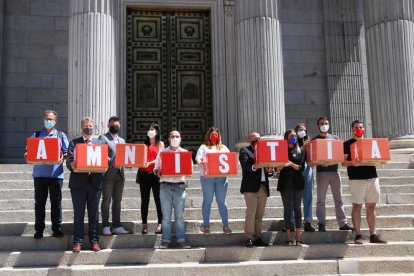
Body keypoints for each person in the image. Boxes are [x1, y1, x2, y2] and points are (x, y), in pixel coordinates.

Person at [25, 110, 69, 239]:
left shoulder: (61, 135)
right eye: (47, 119)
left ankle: (56, 229)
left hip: (55, 175)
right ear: (43, 120)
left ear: (55, 121)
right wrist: (27, 157)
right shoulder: (36, 135)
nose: (49, 121)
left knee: (56, 203)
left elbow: (66, 152)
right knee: (39, 203)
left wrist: (62, 157)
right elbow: (28, 153)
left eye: (51, 119)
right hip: (40, 174)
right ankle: (39, 229)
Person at [342, 120, 387, 244]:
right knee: (357, 206)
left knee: (371, 206)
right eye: (356, 127)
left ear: (364, 129)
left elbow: (379, 156)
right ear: (352, 130)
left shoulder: (370, 143)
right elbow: (343, 162)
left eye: (361, 127)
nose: (359, 129)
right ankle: (358, 234)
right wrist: (353, 163)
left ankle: (373, 234)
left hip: (372, 177)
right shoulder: (347, 144)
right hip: (356, 179)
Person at [66, 117, 104, 252]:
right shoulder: (74, 143)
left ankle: (94, 241)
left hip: (95, 183)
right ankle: (78, 242)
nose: (89, 128)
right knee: (78, 213)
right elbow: (69, 159)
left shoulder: (100, 143)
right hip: (78, 183)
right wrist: (73, 165)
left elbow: (105, 160)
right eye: (86, 125)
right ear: (82, 127)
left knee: (94, 213)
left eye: (91, 125)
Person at [313, 117, 353, 232]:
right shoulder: (315, 140)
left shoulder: (335, 139)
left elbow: (340, 156)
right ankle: (321, 223)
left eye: (326, 123)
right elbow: (312, 158)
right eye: (322, 123)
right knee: (321, 199)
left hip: (335, 172)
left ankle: (343, 223)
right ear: (318, 126)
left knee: (339, 199)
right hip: (322, 173)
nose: (324, 125)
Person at [154, 130, 191, 249]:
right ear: (169, 139)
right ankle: (165, 240)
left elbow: (190, 171)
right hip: (165, 186)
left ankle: (181, 240)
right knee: (166, 216)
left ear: (180, 139)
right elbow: (156, 169)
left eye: (177, 136)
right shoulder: (162, 152)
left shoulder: (185, 153)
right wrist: (158, 171)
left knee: (180, 216)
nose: (175, 138)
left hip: (180, 187)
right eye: (172, 136)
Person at [239, 132, 273, 248]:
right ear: (249, 140)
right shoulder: (245, 151)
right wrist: (256, 166)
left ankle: (257, 237)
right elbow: (246, 166)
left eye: (259, 138)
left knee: (259, 215)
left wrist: (270, 170)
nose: (257, 140)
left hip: (263, 186)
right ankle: (249, 237)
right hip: (250, 188)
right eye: (254, 138)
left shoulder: (265, 151)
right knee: (251, 214)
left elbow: (269, 169)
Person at [195, 127, 232, 235]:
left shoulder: (224, 147)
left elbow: (230, 159)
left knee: (222, 202)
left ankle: (225, 226)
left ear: (219, 136)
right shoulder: (203, 147)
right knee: (207, 201)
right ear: (208, 135)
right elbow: (198, 159)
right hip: (207, 178)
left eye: (216, 134)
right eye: (212, 134)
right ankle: (206, 226)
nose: (214, 136)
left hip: (221, 178)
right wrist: (200, 162)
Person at [99, 116, 129, 236]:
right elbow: (101, 152)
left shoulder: (122, 140)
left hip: (120, 175)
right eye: (113, 124)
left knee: (118, 200)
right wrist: (111, 161)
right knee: (106, 200)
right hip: (108, 174)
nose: (115, 126)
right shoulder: (103, 137)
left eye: (117, 125)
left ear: (120, 126)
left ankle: (117, 225)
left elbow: (126, 154)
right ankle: (105, 225)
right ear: (108, 125)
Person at [276, 129, 306, 246]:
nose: (293, 137)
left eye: (294, 135)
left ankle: (298, 233)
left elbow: (301, 167)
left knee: (297, 208)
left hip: (297, 182)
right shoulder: (281, 150)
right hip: (285, 182)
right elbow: (277, 167)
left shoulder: (301, 150)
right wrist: (280, 165)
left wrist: (290, 163)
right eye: (290, 136)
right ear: (286, 138)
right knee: (287, 208)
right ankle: (288, 233)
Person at [137, 123, 164, 234]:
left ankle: (160, 224)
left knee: (158, 199)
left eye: (152, 129)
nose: (150, 131)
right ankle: (144, 225)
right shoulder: (144, 144)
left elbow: (160, 157)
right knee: (145, 200)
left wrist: (150, 163)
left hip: (155, 174)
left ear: (157, 132)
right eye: (149, 129)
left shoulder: (160, 144)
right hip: (143, 174)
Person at [294, 123, 315, 232]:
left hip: (307, 169)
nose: (302, 132)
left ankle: (308, 221)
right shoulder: (293, 142)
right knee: (294, 198)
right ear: (296, 131)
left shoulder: (309, 143)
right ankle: (292, 222)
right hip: (295, 170)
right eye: (300, 130)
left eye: (304, 130)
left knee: (308, 196)